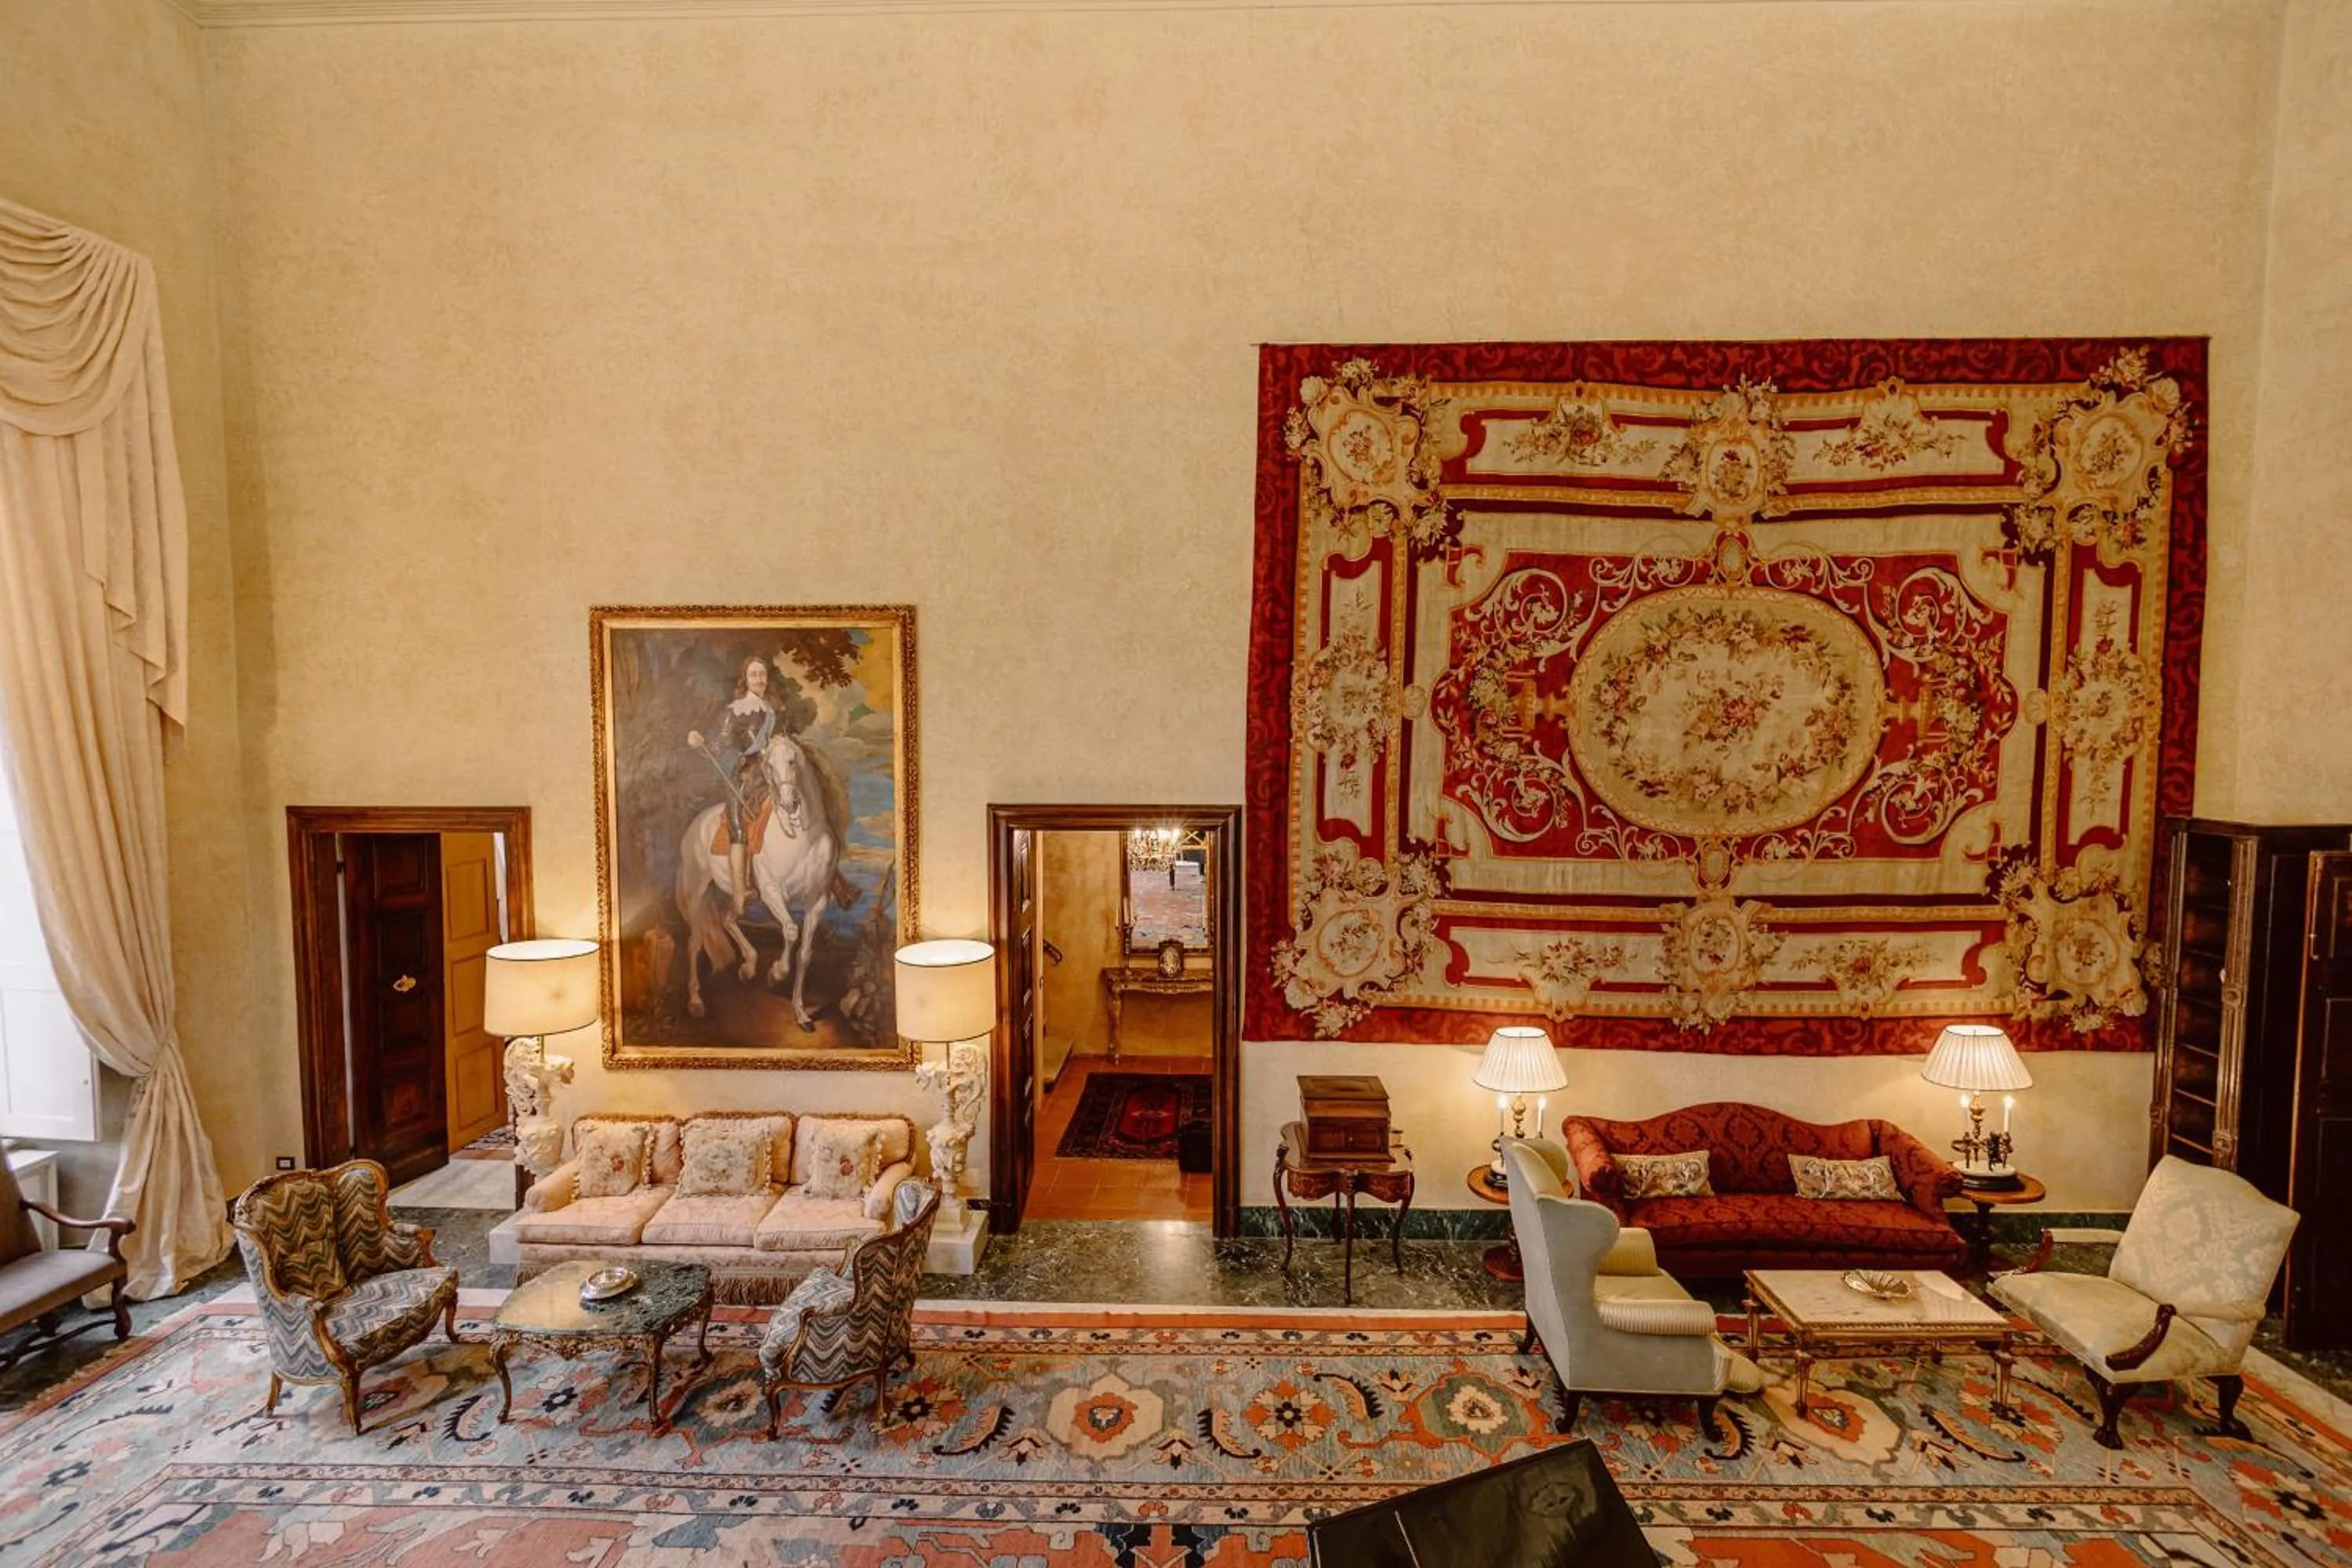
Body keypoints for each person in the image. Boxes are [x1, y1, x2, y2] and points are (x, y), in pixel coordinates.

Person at [687, 655, 777, 916]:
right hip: (745, 777)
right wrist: (699, 741)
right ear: (745, 679)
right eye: (754, 675)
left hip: (771, 774)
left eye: (762, 674)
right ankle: (741, 891)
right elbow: (716, 747)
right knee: (739, 827)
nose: (760, 679)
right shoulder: (735, 710)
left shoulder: (772, 709)